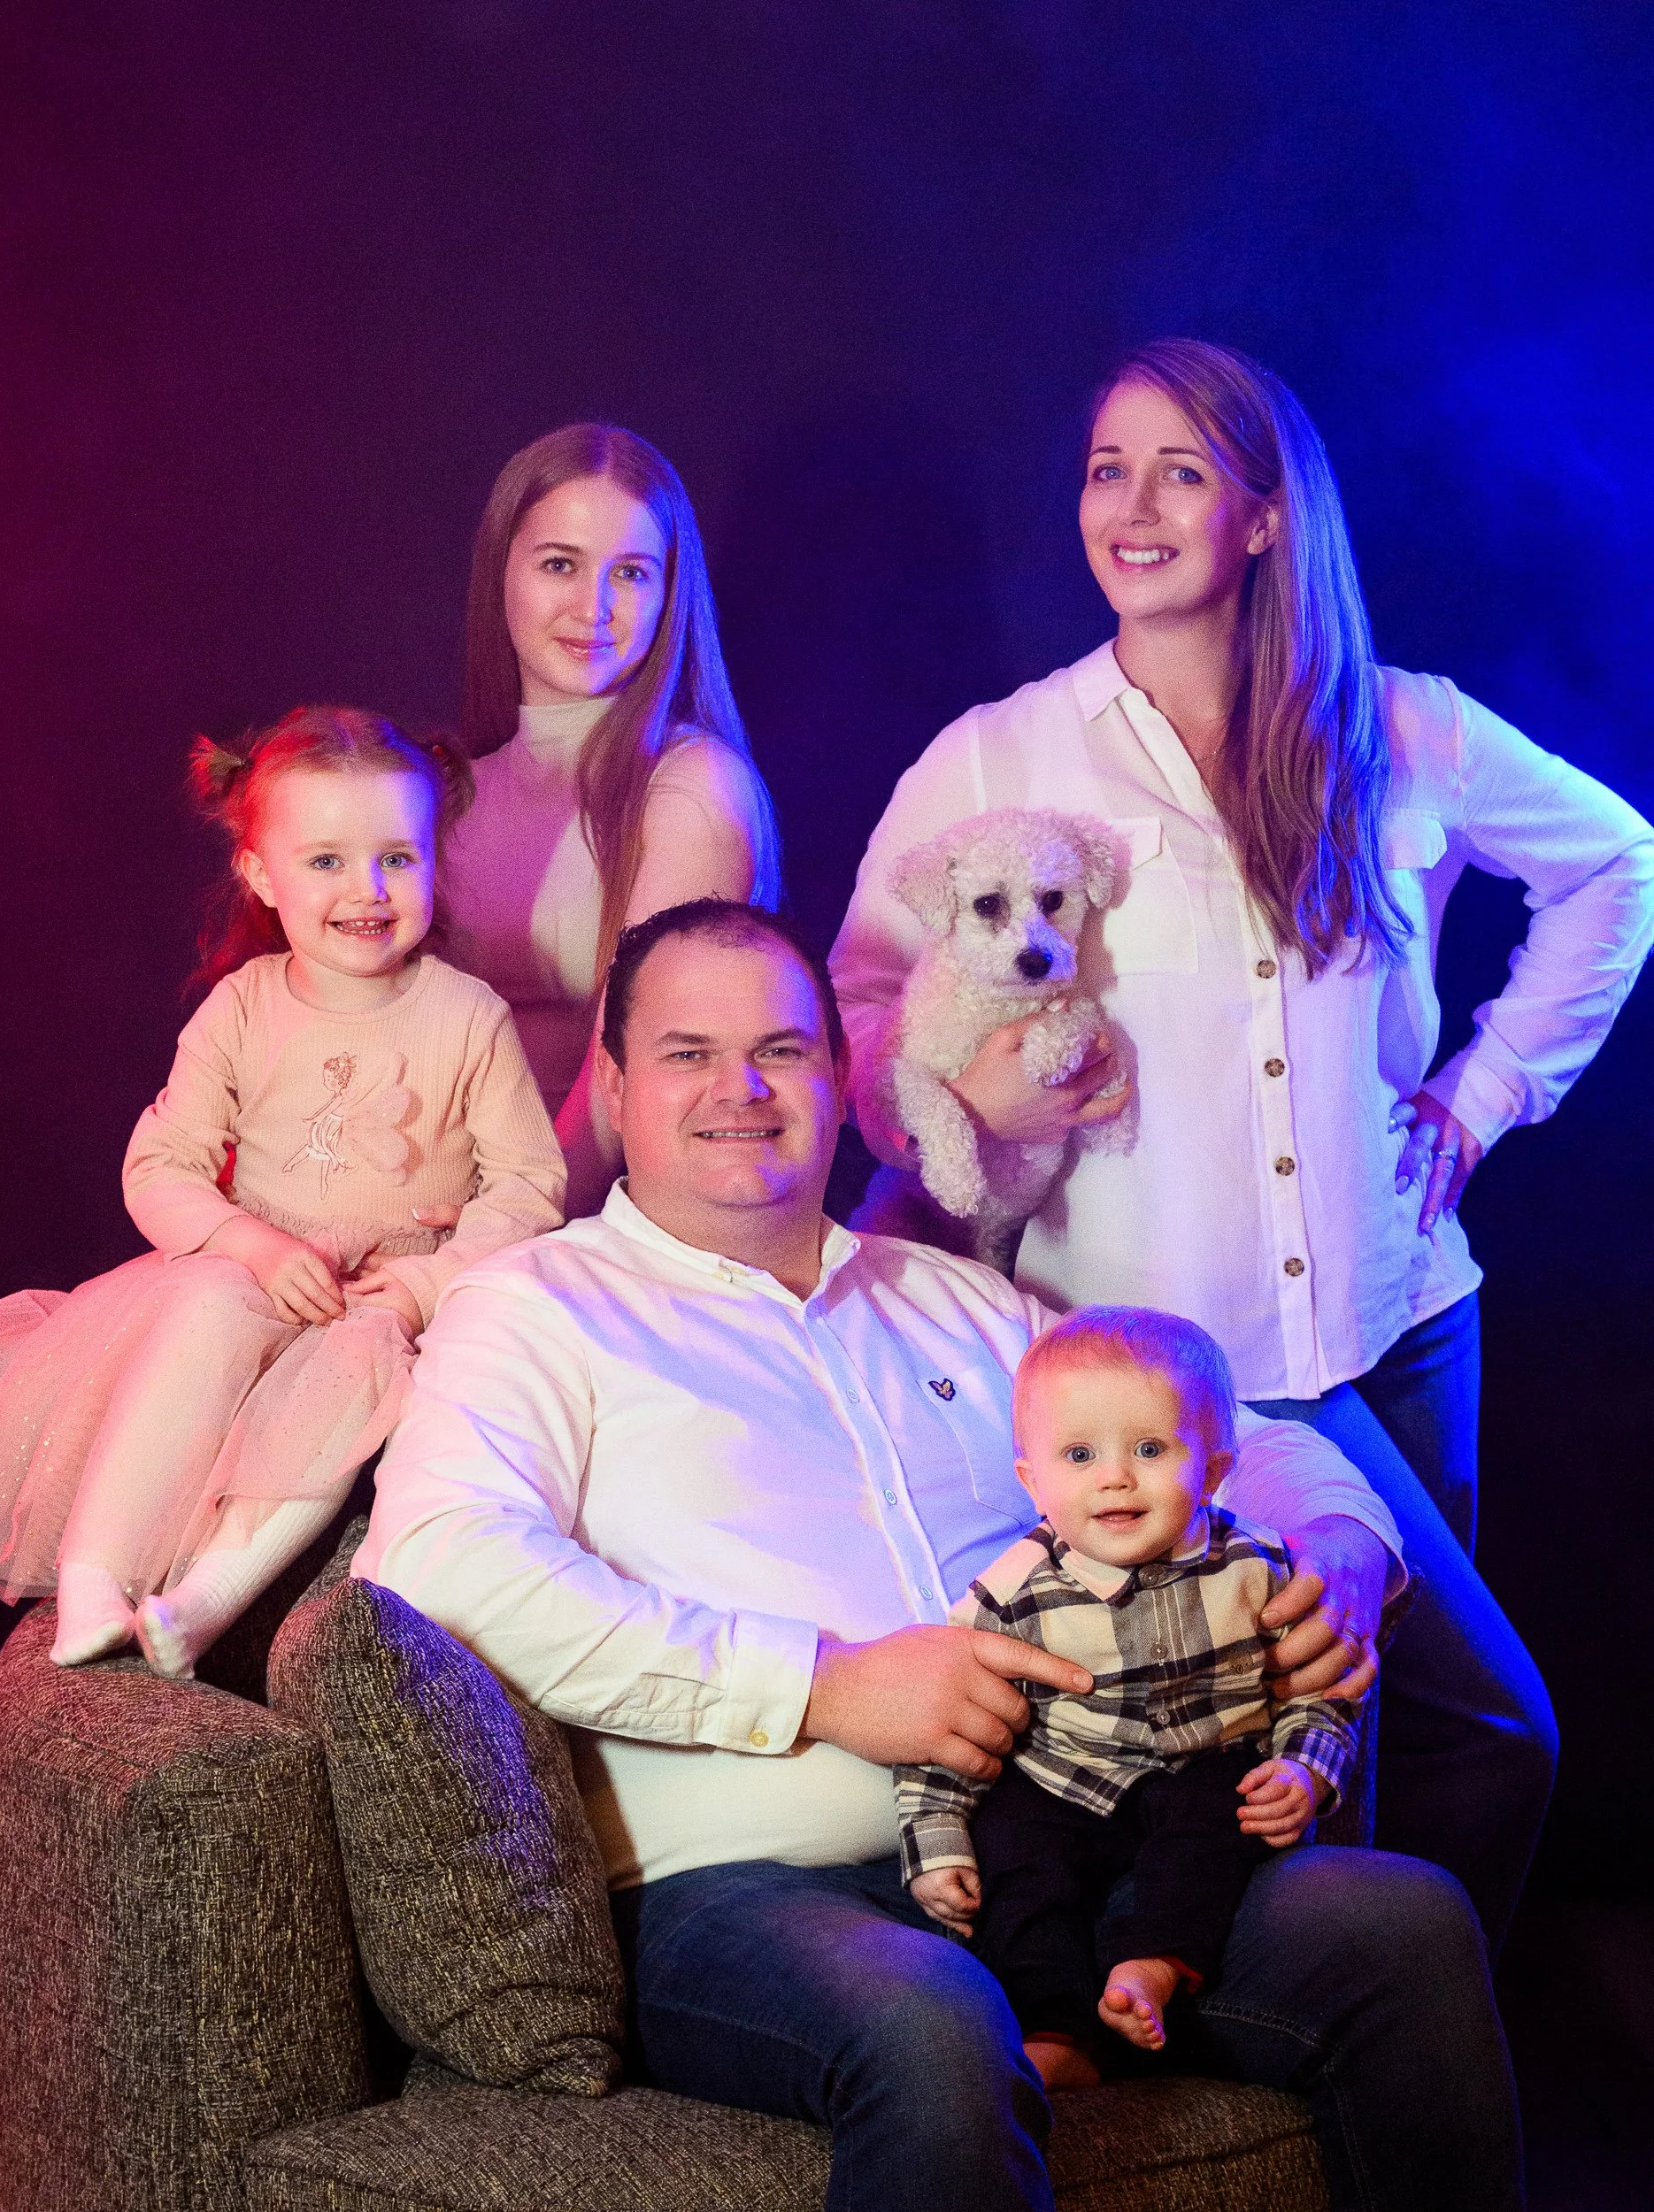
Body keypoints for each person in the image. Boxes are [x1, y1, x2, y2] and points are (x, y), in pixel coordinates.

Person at [356, 898, 1522, 2212]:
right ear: (615, 1090)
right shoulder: (535, 1308)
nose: (741, 1087)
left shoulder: (957, 1300)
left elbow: (1245, 1439)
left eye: (783, 1050)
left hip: (1084, 1845)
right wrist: (823, 1683)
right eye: (688, 1053)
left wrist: (1345, 1551)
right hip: (757, 1895)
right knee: (933, 2017)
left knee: (1400, 1923)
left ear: (840, 1078)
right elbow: (437, 1562)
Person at [830, 337, 1654, 1947]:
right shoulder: (1006, 754)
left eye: (1181, 472)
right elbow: (864, 1004)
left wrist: (1482, 1096)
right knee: (1459, 1735)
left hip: (1406, 1321)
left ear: (1267, 518)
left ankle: (1381, 2073)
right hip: (1178, 1379)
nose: (1131, 508)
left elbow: (1621, 864)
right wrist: (978, 1111)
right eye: (1104, 470)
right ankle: (1348, 2072)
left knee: (1377, 1744)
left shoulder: (1399, 730)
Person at [0, 707, 565, 1677]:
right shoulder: (245, 1007)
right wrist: (252, 1245)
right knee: (204, 1306)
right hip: (255, 1269)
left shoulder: (468, 1017)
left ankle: (209, 1595)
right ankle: (98, 1572)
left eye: (397, 858)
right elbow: (159, 1166)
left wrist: (430, 1282)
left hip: (373, 1298)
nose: (368, 890)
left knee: (363, 1368)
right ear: (260, 874)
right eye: (327, 861)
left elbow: (528, 1184)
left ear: (433, 859)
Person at [897, 1306, 1356, 2090]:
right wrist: (933, 1836)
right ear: (1031, 1479)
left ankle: (1156, 1965)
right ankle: (1056, 2030)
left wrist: (1305, 1771)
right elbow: (947, 1720)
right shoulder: (1010, 1595)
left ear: (1212, 1470)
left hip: (1208, 1762)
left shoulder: (1260, 1567)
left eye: (1149, 1449)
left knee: (1222, 1824)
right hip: (1063, 1778)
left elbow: (1323, 1689)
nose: (1113, 1477)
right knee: (1018, 1861)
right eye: (1078, 1454)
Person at [437, 422, 781, 1217]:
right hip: (421, 1200)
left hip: (575, 1223)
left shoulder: (692, 784)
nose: (593, 606)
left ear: (669, 594)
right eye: (560, 564)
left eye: (630, 573)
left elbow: (627, 1079)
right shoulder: (439, 792)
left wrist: (503, 1233)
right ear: (502, 574)